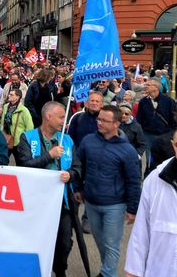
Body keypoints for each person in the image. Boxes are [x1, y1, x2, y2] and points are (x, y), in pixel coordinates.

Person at [15, 101, 80, 277]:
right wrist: (49, 156)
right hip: (35, 201)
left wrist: (71, 174)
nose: (63, 122)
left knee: (64, 242)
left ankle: (60, 270)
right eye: (61, 117)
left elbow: (77, 167)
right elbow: (24, 165)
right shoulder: (27, 138)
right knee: (35, 238)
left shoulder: (67, 139)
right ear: (48, 117)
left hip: (62, 202)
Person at [75, 105, 141, 277]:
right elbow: (79, 165)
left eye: (105, 120)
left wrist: (133, 209)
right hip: (91, 202)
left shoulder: (127, 150)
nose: (100, 123)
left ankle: (107, 274)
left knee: (111, 243)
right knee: (100, 240)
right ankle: (108, 270)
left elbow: (134, 181)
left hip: (115, 205)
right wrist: (78, 187)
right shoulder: (88, 141)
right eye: (99, 119)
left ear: (117, 123)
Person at [124, 130, 177, 277]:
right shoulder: (155, 180)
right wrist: (133, 271)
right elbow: (141, 229)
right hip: (159, 269)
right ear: (173, 146)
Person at [136, 78, 177, 169]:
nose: (145, 86)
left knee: (164, 159)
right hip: (148, 135)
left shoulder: (169, 101)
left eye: (148, 85)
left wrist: (170, 133)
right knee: (149, 158)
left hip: (165, 135)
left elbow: (174, 119)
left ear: (156, 87)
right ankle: (149, 174)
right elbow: (139, 118)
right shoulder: (143, 102)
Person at [0, 88, 33, 155]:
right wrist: (1, 132)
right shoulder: (6, 107)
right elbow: (2, 121)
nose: (9, 95)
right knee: (3, 159)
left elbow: (29, 126)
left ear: (17, 97)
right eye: (9, 94)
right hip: (6, 137)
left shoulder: (23, 110)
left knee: (19, 161)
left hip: (18, 141)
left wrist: (25, 141)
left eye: (11, 95)